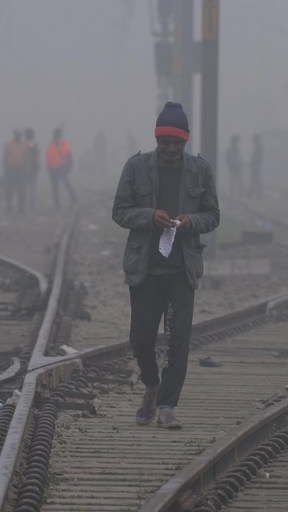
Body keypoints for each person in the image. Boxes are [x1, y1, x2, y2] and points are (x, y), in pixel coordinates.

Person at [112, 102, 220, 429]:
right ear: (157, 140)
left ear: (185, 141)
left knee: (177, 341)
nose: (171, 149)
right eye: (165, 142)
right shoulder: (136, 168)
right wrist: (149, 216)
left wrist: (190, 221)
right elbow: (119, 211)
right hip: (145, 271)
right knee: (141, 339)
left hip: (181, 272)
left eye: (177, 143)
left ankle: (168, 407)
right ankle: (152, 386)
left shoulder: (200, 171)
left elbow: (213, 216)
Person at [46, 127, 77, 210]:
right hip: (52, 169)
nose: (55, 136)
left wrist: (58, 146)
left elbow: (65, 152)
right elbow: (48, 156)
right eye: (54, 134)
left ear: (59, 135)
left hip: (61, 167)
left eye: (57, 134)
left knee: (65, 182)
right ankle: (57, 205)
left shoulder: (63, 143)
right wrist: (48, 167)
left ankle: (73, 195)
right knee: (55, 187)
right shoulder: (51, 145)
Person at [3, 129, 28, 215]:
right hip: (11, 170)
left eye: (19, 135)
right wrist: (6, 169)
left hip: (21, 170)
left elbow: (26, 157)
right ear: (14, 135)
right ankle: (9, 207)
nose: (18, 136)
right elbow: (5, 157)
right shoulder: (9, 144)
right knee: (9, 190)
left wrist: (26, 169)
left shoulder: (24, 145)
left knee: (21, 191)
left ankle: (21, 208)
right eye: (17, 135)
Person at [23, 128, 40, 212]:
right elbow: (36, 156)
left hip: (28, 168)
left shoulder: (23, 144)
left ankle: (29, 205)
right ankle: (31, 205)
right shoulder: (34, 144)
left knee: (28, 188)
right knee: (31, 188)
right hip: (29, 168)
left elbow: (36, 156)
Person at [248, 133, 263, 199]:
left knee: (255, 180)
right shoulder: (258, 147)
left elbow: (258, 157)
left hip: (256, 166)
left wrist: (254, 163)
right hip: (255, 166)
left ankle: (254, 194)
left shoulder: (258, 147)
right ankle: (255, 193)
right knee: (255, 180)